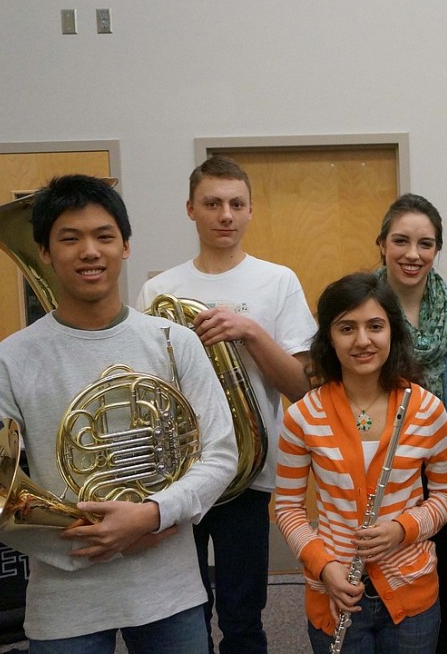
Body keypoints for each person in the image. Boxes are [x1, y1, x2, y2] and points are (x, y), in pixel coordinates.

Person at [0, 174, 238, 653]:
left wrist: (151, 515)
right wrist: (105, 540)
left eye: (104, 236)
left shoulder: (175, 343)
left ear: (126, 247)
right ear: (45, 252)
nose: (89, 251)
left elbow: (221, 455)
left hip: (169, 590)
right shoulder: (2, 365)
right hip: (66, 596)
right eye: (69, 239)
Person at [136, 155, 316, 654]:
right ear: (191, 209)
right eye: (213, 204)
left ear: (251, 210)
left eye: (237, 204)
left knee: (244, 614)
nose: (226, 215)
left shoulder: (277, 282)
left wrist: (250, 332)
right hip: (179, 475)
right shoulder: (159, 289)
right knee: (183, 612)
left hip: (250, 472)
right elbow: (149, 388)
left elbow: (301, 385)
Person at [275, 272, 447, 654]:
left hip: (410, 591)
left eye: (375, 326)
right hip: (336, 592)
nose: (362, 340)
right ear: (328, 336)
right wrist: (325, 566)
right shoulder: (303, 416)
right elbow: (288, 508)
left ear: (393, 331)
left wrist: (402, 528)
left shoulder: (427, 409)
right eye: (347, 328)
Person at [374, 193, 447, 654]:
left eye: (425, 243)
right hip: (380, 464)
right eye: (401, 241)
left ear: (437, 249)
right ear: (381, 243)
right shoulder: (364, 308)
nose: (413, 254)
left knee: (445, 591)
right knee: (384, 587)